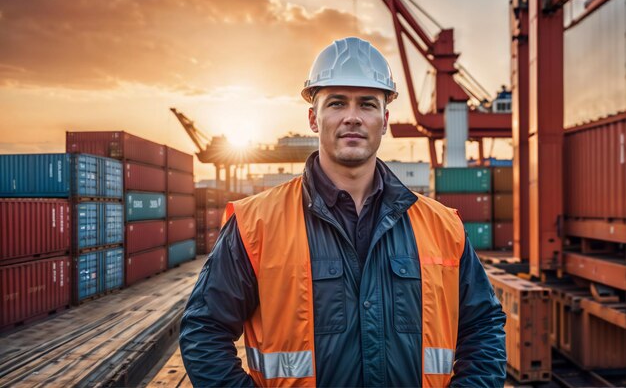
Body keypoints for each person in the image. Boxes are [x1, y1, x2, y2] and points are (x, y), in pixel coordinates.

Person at [179, 37, 507, 387]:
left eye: (367, 104)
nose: (352, 117)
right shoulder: (256, 224)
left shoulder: (443, 227)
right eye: (337, 103)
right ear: (313, 119)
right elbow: (204, 331)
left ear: (384, 119)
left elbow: (483, 327)